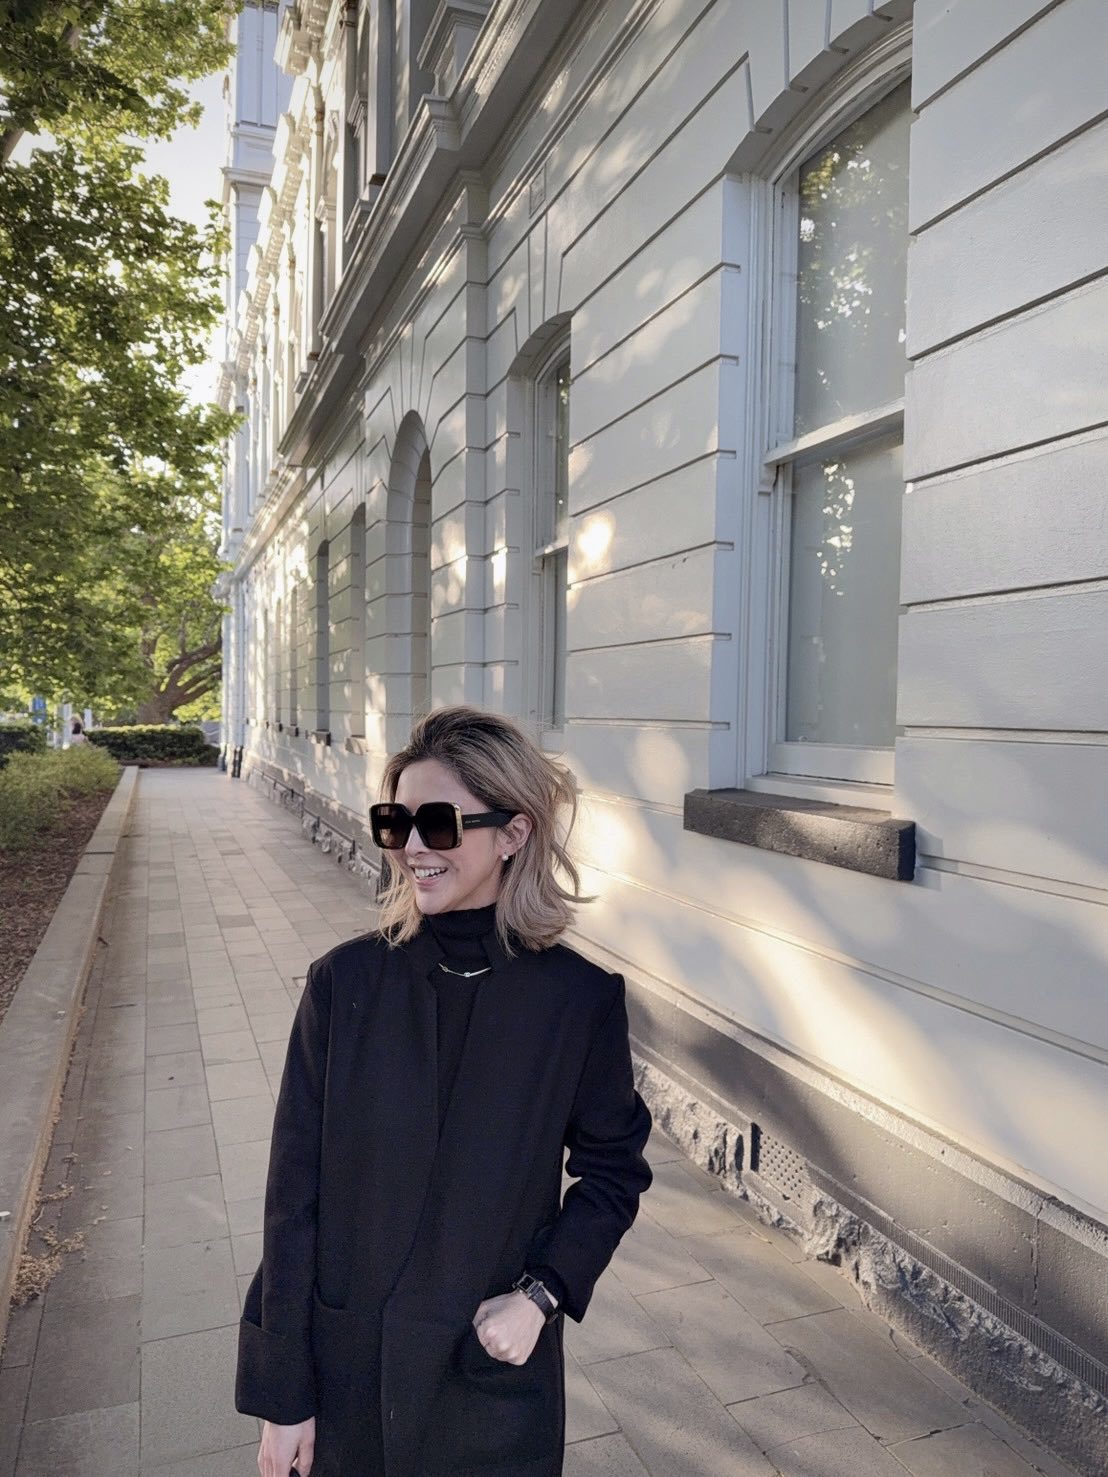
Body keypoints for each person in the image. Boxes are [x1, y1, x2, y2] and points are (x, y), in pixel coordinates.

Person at [236, 705, 654, 1477]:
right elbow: (293, 1199)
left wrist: (542, 1294)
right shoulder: (343, 984)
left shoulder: (577, 1002)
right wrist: (282, 1392)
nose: (412, 847)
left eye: (438, 823)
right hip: (348, 1380)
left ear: (513, 833)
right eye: (396, 822)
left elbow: (613, 1173)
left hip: (489, 1386)